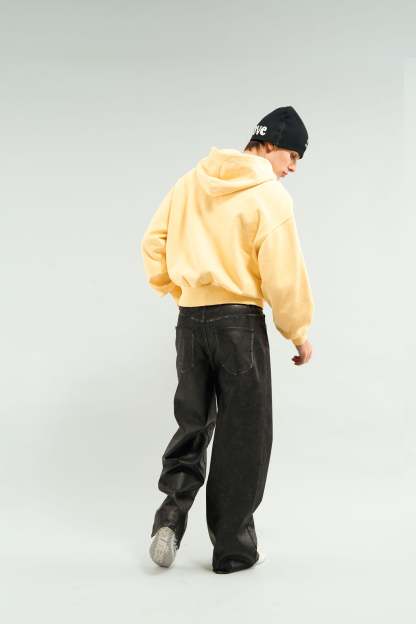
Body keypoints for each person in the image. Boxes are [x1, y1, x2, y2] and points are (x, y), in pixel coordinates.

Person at [141, 105, 314, 574]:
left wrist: (180, 289)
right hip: (239, 325)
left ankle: (170, 517)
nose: (293, 168)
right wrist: (297, 331)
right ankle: (233, 550)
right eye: (292, 156)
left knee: (192, 424)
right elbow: (283, 276)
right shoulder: (270, 197)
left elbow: (153, 242)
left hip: (190, 323)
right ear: (269, 145)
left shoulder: (191, 182)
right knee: (244, 436)